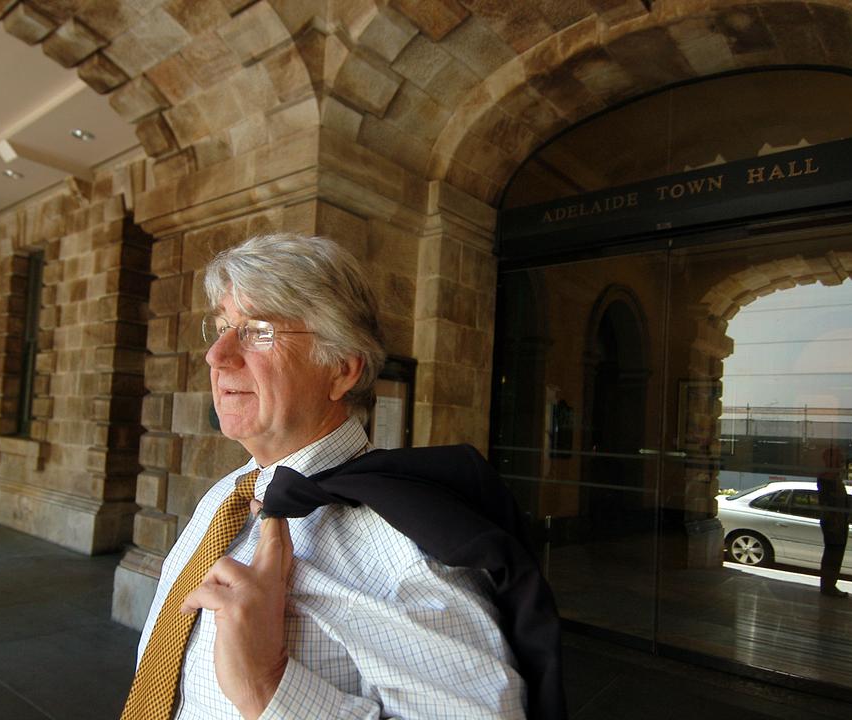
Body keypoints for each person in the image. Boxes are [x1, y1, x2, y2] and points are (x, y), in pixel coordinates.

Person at [124, 234, 553, 720]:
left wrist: (268, 687)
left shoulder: (406, 555)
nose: (217, 355)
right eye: (222, 327)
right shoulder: (226, 495)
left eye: (259, 330)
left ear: (342, 370)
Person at [816, 446, 850, 597]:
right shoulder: (827, 478)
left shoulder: (833, 477)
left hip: (837, 521)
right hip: (833, 522)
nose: (842, 461)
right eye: (839, 458)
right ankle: (828, 586)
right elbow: (829, 503)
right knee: (833, 554)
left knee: (834, 554)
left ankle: (829, 585)